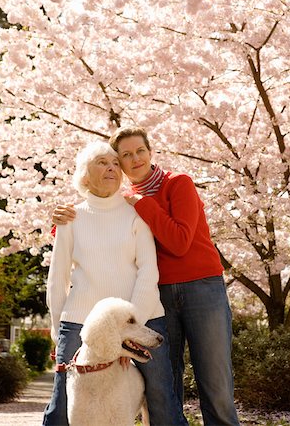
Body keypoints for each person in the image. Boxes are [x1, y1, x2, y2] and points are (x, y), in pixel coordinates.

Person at [53, 127, 240, 426]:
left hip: (201, 288)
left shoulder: (177, 184)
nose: (135, 158)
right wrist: (63, 222)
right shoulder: (126, 201)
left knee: (214, 381)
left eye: (140, 150)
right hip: (162, 294)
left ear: (150, 152)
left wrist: (142, 203)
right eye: (126, 155)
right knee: (167, 385)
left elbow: (179, 242)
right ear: (121, 163)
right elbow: (98, 225)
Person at [44, 140, 187, 426]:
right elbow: (57, 277)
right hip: (79, 321)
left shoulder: (137, 213)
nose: (111, 168)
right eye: (101, 162)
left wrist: (128, 330)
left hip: (142, 317)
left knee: (161, 396)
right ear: (85, 174)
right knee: (62, 402)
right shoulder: (70, 217)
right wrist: (57, 328)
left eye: (114, 163)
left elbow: (149, 270)